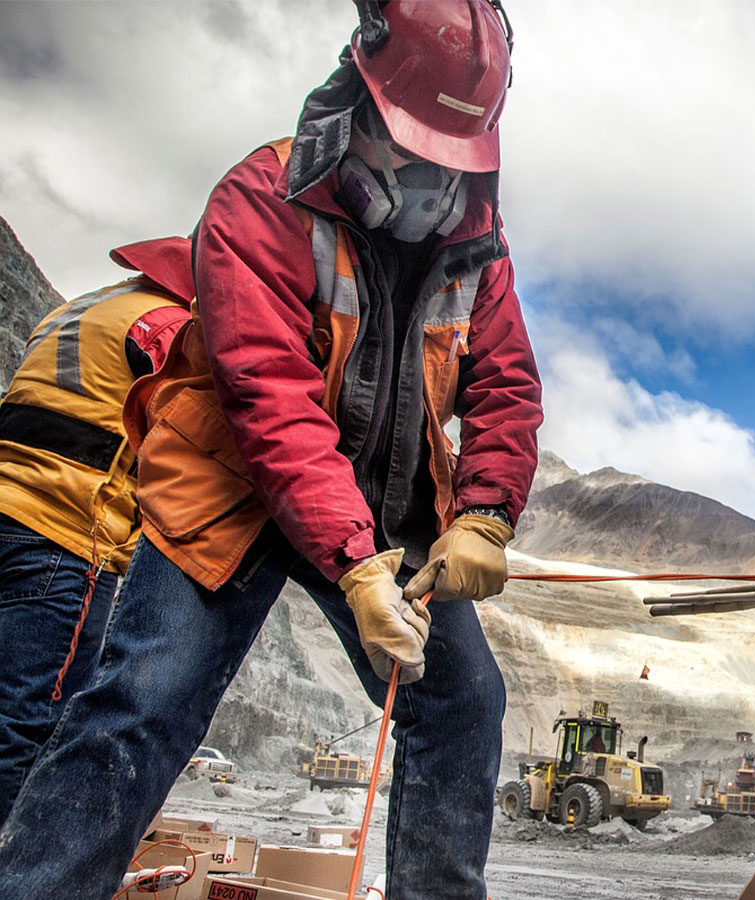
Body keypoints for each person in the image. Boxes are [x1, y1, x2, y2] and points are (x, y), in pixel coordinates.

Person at [0, 2, 541, 897]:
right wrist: (357, 569)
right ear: (357, 101)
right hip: (235, 484)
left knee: (463, 703)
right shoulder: (261, 198)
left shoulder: (479, 243)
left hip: (384, 503)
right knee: (143, 702)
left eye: (451, 155)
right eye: (412, 145)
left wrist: (485, 510)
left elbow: (506, 385)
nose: (426, 173)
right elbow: (269, 401)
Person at [0, 238, 191, 823]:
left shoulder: (83, 308)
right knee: (28, 728)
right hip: (65, 535)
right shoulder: (166, 326)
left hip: (9, 509)